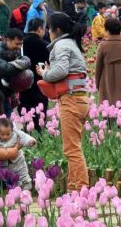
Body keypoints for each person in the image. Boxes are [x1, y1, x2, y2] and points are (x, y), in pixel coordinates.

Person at [36, 12, 90, 192]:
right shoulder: (71, 43)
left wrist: (44, 73)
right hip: (79, 98)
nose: (47, 32)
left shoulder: (61, 45)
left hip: (71, 100)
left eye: (49, 28)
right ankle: (73, 188)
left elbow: (59, 71)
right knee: (73, 148)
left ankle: (81, 190)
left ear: (57, 30)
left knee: (72, 150)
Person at [19, 18, 50, 133]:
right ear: (40, 29)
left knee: (26, 109)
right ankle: (39, 133)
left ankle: (28, 132)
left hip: (24, 84)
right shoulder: (45, 45)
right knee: (39, 111)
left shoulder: (21, 44)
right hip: (40, 84)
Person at [0, 118, 36, 190]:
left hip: (18, 160)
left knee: (22, 172)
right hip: (4, 164)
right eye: (2, 134)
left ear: (12, 130)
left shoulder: (16, 134)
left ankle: (26, 185)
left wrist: (30, 141)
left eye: (8, 134)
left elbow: (24, 137)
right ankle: (13, 188)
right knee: (8, 177)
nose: (5, 137)